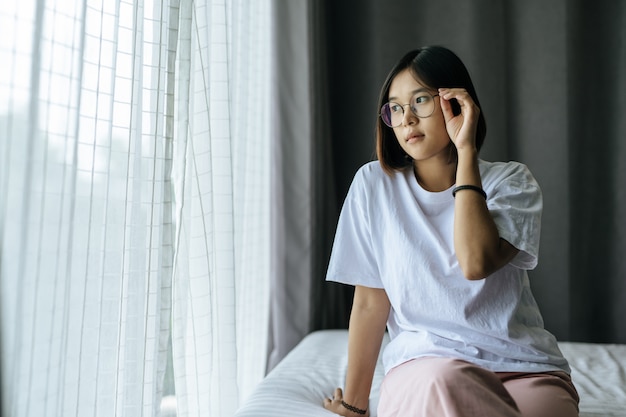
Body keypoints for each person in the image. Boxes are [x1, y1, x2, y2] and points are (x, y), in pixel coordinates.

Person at [322, 46, 579, 417]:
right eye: (395, 108)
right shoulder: (373, 184)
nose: (407, 119)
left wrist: (466, 151)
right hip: (427, 366)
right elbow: (368, 303)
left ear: (457, 104)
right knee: (445, 382)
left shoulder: (511, 182)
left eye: (421, 100)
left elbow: (475, 262)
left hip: (523, 369)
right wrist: (354, 405)